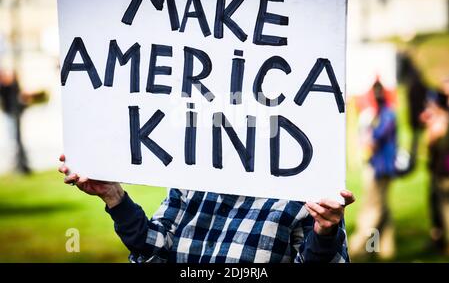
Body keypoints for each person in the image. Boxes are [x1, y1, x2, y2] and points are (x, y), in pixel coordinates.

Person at [58, 154, 355, 263]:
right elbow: (155, 250)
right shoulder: (194, 178)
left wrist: (325, 233)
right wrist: (114, 196)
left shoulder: (304, 192)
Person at [350, 81, 398, 260]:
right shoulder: (380, 114)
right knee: (383, 209)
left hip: (380, 169)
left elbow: (374, 139)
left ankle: (356, 249)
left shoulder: (386, 115)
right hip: (380, 167)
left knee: (372, 211)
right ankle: (384, 249)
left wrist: (368, 136)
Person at [420, 85, 449, 254]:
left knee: (445, 209)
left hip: (443, 172)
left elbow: (430, 143)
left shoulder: (440, 122)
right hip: (440, 171)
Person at [0, 69, 31, 174]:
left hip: (15, 115)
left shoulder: (13, 86)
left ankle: (22, 164)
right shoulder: (6, 87)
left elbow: (21, 101)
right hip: (10, 115)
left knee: (16, 140)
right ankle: (19, 164)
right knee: (15, 140)